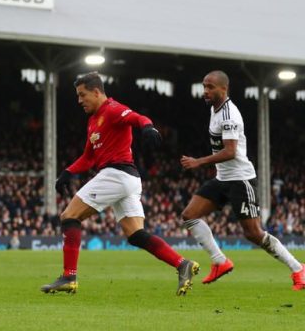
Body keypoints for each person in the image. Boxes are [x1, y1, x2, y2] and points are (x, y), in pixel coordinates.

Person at [44, 72, 199, 296]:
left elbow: (137, 118)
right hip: (128, 179)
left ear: (96, 92)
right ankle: (183, 264)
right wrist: (67, 173)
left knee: (69, 216)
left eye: (82, 95)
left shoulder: (113, 109)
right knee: (136, 235)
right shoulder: (92, 121)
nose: (79, 100)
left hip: (116, 174)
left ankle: (69, 276)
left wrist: (148, 127)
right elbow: (88, 157)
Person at [180, 70, 304, 290]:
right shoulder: (214, 109)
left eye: (210, 87)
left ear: (224, 89)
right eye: (204, 86)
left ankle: (298, 268)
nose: (205, 91)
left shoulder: (229, 114)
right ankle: (220, 261)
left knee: (253, 233)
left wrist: (199, 162)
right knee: (189, 215)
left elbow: (230, 151)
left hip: (240, 179)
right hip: (223, 178)